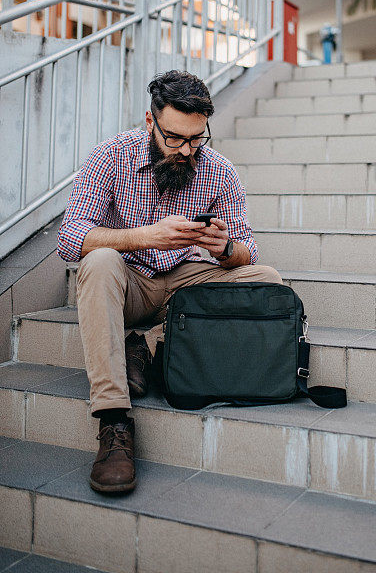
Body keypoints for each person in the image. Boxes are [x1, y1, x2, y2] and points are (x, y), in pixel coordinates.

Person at [57, 69, 283, 494]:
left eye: (197, 139)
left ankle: (146, 345)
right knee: (99, 259)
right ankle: (113, 422)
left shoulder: (219, 170)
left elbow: (247, 252)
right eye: (175, 138)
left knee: (266, 279)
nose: (186, 150)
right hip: (126, 281)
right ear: (150, 122)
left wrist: (224, 247)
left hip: (182, 284)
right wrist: (145, 236)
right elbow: (70, 239)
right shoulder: (110, 156)